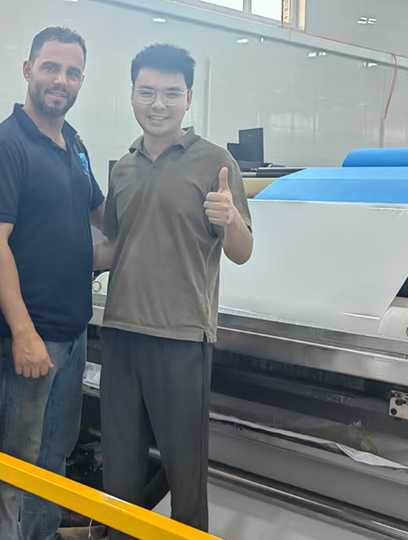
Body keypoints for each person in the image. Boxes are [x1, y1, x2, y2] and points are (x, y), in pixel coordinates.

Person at [93, 44, 253, 538]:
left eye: (169, 94)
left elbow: (242, 251)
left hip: (182, 338)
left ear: (188, 99)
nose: (157, 104)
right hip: (120, 333)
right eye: (147, 92)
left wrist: (230, 219)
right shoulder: (123, 166)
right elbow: (114, 246)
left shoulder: (215, 162)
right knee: (119, 470)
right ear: (132, 95)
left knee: (185, 475)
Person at [0, 26, 105, 540]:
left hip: (72, 336)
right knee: (11, 463)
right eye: (51, 67)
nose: (61, 80)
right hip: (24, 339)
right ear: (28, 70)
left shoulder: (74, 144)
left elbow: (103, 219)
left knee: (53, 459)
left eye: (73, 72)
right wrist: (23, 333)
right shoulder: (4, 147)